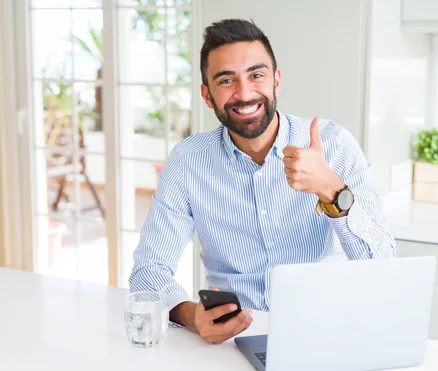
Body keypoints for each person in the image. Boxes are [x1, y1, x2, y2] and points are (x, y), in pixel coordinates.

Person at [129, 18, 396, 344]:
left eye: (256, 75)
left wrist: (332, 190)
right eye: (226, 80)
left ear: (276, 81)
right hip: (235, 344)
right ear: (207, 95)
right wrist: (191, 315)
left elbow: (384, 267)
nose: (244, 93)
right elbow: (148, 271)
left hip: (327, 335)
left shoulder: (335, 145)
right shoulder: (188, 163)